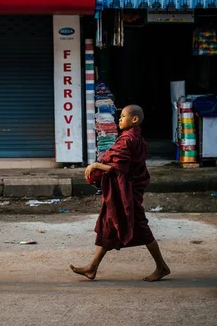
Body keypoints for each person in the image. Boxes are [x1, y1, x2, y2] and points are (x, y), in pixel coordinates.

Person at [70, 105, 170, 282]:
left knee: (139, 225)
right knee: (109, 226)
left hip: (126, 193)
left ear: (135, 120)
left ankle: (161, 266)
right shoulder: (136, 139)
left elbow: (118, 169)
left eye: (123, 116)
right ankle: (92, 268)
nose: (119, 119)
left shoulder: (127, 139)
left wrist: (95, 166)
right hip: (124, 190)